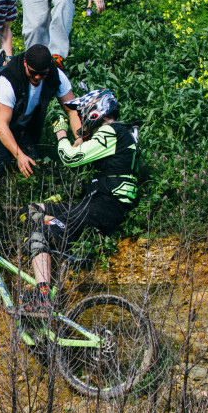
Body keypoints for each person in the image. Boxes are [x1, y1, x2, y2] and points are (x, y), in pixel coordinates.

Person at [17, 89, 141, 316]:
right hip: (98, 204)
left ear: (97, 111)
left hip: (105, 206)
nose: (82, 119)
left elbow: (71, 158)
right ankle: (59, 231)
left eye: (84, 113)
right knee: (31, 210)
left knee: (39, 235)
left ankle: (44, 298)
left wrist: (60, 133)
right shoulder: (117, 134)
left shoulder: (111, 131)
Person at [0, 44, 83, 178]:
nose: (37, 77)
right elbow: (1, 126)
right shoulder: (8, 79)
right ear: (25, 63)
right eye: (33, 72)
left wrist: (80, 136)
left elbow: (72, 111)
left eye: (42, 74)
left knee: (34, 164)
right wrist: (19, 156)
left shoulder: (57, 76)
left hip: (15, 119)